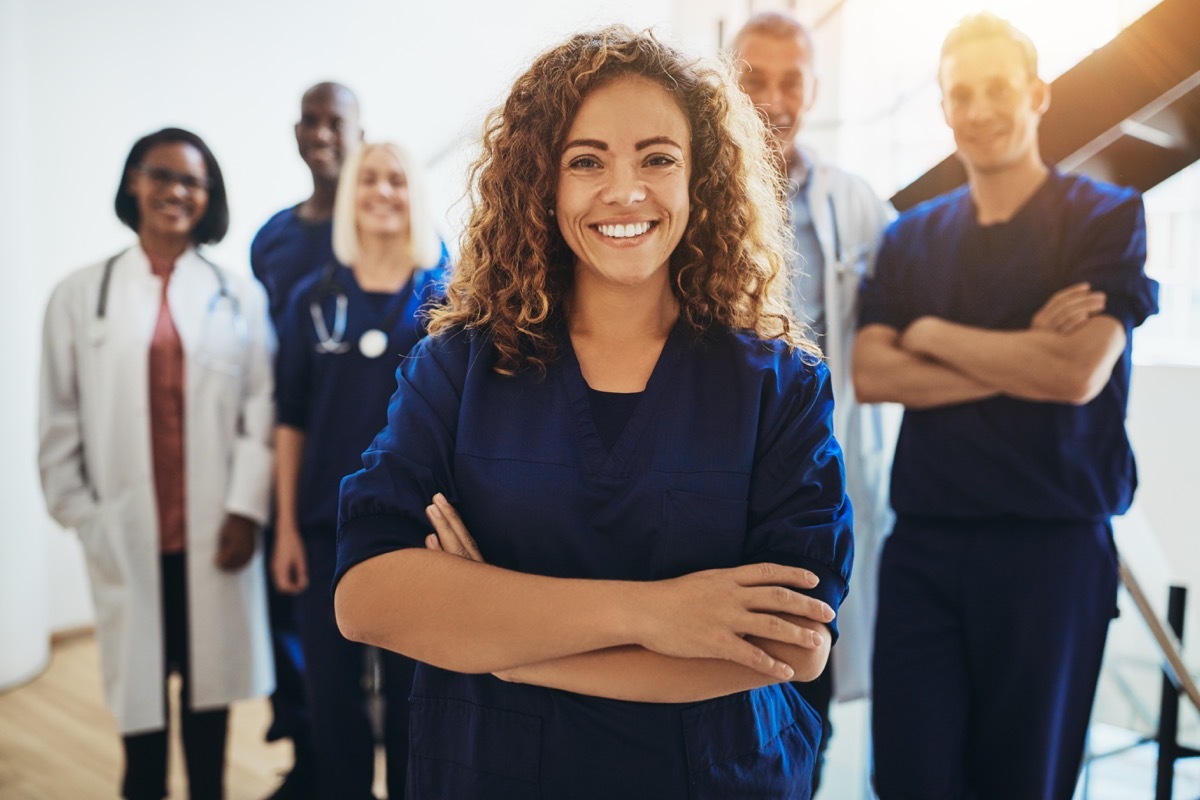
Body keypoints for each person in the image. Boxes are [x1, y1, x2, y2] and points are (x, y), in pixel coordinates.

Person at [333, 26, 852, 799]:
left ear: (700, 177)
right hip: (494, 775)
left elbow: (792, 647)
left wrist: (504, 645)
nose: (624, 190)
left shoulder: (778, 385)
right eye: (586, 161)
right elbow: (368, 595)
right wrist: (658, 613)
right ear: (541, 181)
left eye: (657, 158)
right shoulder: (460, 368)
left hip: (711, 776)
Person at [853, 13, 1159, 799]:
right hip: (926, 545)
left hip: (1049, 552)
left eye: (997, 89)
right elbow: (872, 373)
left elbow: (1077, 373)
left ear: (1038, 95)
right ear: (944, 108)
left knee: (1022, 783)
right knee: (910, 778)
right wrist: (1025, 351)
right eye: (962, 94)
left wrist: (929, 333)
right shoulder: (911, 237)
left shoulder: (1105, 217)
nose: (980, 109)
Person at [38, 127, 275, 800]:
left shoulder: (239, 296)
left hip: (214, 539)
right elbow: (57, 419)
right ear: (133, 182)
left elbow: (260, 406)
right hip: (124, 534)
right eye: (161, 175)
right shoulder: (80, 296)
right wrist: (83, 518)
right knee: (139, 723)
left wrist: (243, 509)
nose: (175, 191)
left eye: (192, 182)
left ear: (209, 197)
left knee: (209, 716)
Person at [732, 12, 896, 793]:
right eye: (753, 78)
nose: (772, 98)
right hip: (717, 469)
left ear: (814, 90)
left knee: (806, 681)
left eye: (791, 81)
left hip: (811, 477)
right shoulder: (687, 187)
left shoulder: (852, 201)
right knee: (724, 683)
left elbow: (901, 317)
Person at [271, 141, 448, 800]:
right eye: (368, 178)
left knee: (414, 707)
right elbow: (289, 419)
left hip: (418, 536)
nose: (382, 191)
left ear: (416, 195)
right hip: (323, 531)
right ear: (350, 194)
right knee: (333, 706)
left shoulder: (446, 300)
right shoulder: (310, 300)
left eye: (397, 180)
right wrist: (285, 527)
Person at [250, 81, 362, 800]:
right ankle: (309, 754)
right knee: (290, 617)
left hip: (369, 470)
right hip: (296, 454)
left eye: (336, 122)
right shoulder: (273, 238)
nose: (321, 134)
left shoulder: (390, 229)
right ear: (296, 132)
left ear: (360, 133)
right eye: (310, 121)